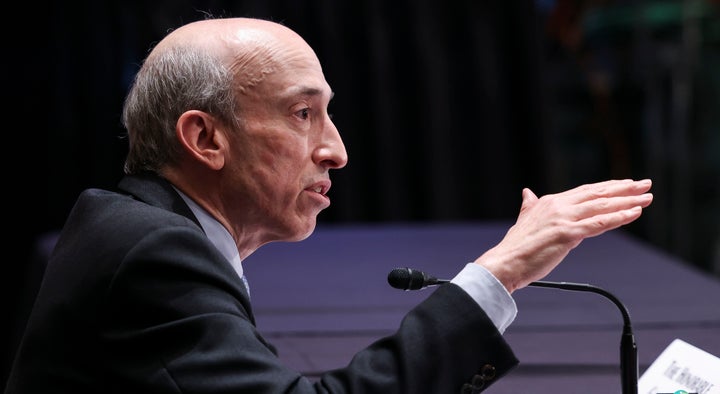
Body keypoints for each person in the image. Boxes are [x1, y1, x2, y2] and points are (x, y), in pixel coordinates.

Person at [4, 16, 653, 394]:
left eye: (328, 114)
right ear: (205, 138)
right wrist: (502, 271)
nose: (336, 151)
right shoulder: (154, 254)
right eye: (303, 114)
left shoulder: (130, 219)